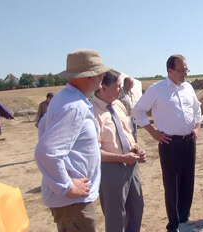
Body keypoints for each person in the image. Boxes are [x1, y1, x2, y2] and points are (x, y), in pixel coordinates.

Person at [34, 49, 111, 232]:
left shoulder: (65, 98)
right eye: (99, 73)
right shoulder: (74, 106)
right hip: (73, 204)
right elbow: (46, 152)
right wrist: (67, 186)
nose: (102, 76)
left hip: (72, 203)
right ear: (88, 77)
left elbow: (44, 129)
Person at [133, 54, 203, 232]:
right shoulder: (157, 89)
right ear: (170, 71)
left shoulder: (188, 87)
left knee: (188, 181)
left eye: (186, 69)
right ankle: (173, 224)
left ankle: (184, 219)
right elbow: (138, 110)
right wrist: (153, 133)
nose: (185, 73)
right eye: (182, 70)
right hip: (169, 143)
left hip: (189, 141)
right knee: (171, 184)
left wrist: (197, 127)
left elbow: (197, 108)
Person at [91, 70, 145, 232]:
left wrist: (137, 148)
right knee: (116, 217)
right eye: (117, 86)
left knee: (136, 208)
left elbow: (128, 133)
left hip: (131, 165)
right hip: (111, 170)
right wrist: (121, 157)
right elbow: (94, 152)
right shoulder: (91, 112)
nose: (121, 90)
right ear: (103, 87)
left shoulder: (119, 105)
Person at [120, 76, 142, 141]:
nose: (131, 85)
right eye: (129, 83)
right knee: (126, 136)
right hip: (124, 120)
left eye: (132, 83)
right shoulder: (120, 93)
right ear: (124, 83)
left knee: (134, 135)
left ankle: (135, 148)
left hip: (133, 119)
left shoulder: (132, 93)